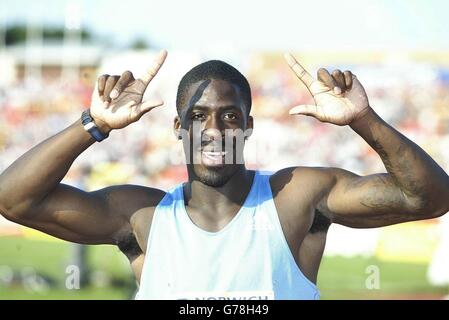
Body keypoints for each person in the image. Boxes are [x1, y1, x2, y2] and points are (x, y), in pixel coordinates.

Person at [0, 50, 448, 300]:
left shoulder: (295, 198)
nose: (213, 130)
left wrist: (364, 119)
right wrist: (92, 126)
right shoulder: (141, 217)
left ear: (249, 126)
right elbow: (14, 200)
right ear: (179, 128)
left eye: (230, 116)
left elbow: (428, 198)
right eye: (198, 116)